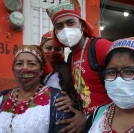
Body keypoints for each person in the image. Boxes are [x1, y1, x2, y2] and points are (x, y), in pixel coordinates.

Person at [46, 0, 113, 132]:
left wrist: (89, 118)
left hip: (109, 122)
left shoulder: (99, 47)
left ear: (81, 25)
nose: (65, 29)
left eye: (70, 23)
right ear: (56, 33)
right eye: (59, 26)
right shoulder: (71, 57)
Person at [0, 45, 74, 133]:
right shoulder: (1, 98)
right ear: (13, 69)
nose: (25, 68)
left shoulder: (57, 99)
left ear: (41, 70)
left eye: (31, 64)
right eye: (19, 64)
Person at [40, 30, 80, 112]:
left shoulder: (69, 69)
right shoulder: (35, 69)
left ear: (62, 52)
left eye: (57, 49)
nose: (53, 52)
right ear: (41, 49)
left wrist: (72, 101)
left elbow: (80, 94)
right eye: (48, 48)